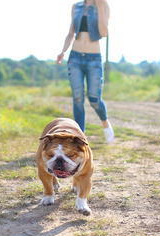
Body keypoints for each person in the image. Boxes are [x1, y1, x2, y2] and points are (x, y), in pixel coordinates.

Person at [57, 0, 114, 143]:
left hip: (93, 59)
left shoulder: (103, 6)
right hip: (75, 57)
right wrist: (63, 51)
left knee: (94, 99)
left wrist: (100, 7)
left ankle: (105, 123)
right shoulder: (76, 7)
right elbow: (71, 33)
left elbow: (104, 32)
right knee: (77, 99)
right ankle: (80, 137)